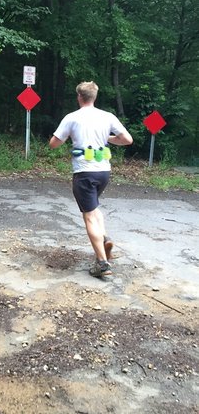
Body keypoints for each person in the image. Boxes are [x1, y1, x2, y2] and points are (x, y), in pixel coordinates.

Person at [48, 81, 133, 278]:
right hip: (104, 171)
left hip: (84, 172)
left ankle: (102, 263)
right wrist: (107, 138)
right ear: (94, 97)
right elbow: (127, 140)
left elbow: (53, 143)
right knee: (94, 208)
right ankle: (104, 239)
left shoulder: (72, 118)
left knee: (88, 216)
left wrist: (68, 136)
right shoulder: (107, 116)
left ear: (79, 97)